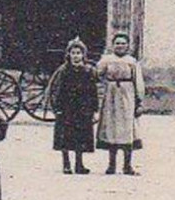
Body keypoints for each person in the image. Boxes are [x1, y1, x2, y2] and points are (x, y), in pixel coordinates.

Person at [97, 32, 145, 175]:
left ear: (127, 46)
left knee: (127, 129)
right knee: (112, 129)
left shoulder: (132, 61)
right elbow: (98, 74)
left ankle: (127, 165)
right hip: (111, 97)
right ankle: (111, 165)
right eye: (117, 43)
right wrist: (105, 85)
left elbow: (138, 82)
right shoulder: (106, 60)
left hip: (127, 96)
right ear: (113, 45)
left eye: (123, 43)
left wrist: (139, 101)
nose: (120, 46)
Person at [47, 37, 98, 175]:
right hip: (66, 108)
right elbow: (57, 90)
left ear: (83, 55)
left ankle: (79, 164)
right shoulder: (63, 71)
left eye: (79, 53)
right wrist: (57, 108)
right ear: (68, 54)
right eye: (73, 53)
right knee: (65, 136)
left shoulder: (88, 71)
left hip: (83, 108)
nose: (76, 56)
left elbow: (93, 92)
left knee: (80, 136)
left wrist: (94, 110)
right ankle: (66, 164)